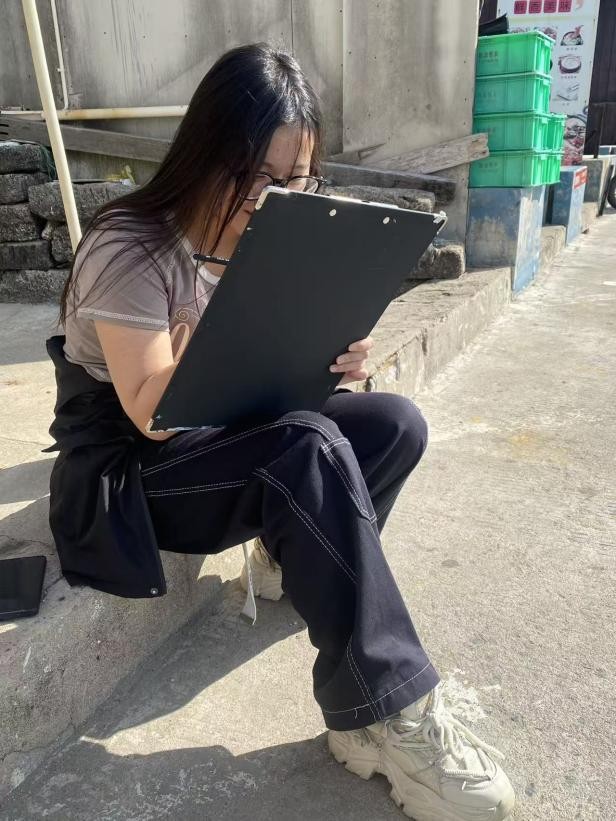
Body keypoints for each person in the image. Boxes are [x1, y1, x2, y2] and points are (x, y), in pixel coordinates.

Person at [47, 42, 515, 821]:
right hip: (130, 473)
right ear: (209, 153)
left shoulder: (261, 239)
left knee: (393, 424)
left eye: (298, 181)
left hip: (221, 429)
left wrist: (325, 346)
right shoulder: (130, 244)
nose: (279, 200)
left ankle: (281, 559)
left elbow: (261, 381)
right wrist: (247, 311)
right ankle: (380, 712)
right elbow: (151, 412)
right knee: (308, 448)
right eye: (261, 178)